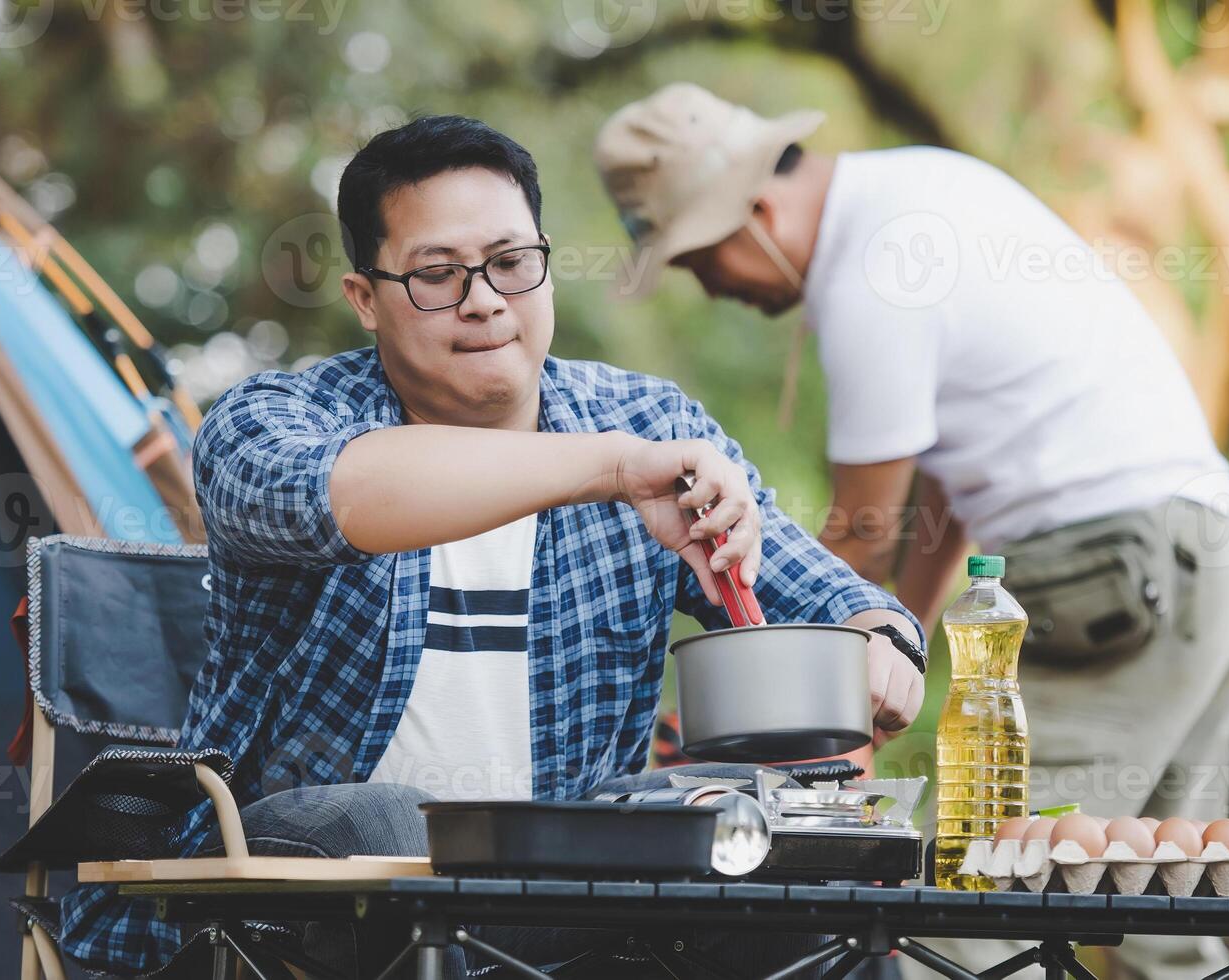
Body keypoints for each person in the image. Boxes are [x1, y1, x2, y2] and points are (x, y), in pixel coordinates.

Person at [54, 114, 930, 978]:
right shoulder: (272, 422)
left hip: (559, 887)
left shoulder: (647, 421)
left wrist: (883, 644)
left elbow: (829, 596)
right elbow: (347, 495)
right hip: (277, 874)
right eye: (438, 274)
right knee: (398, 827)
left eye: (511, 264)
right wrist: (614, 471)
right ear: (365, 298)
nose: (484, 299)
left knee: (787, 860)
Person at [595, 84, 1229, 979]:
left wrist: (789, 716)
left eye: (699, 258)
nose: (710, 285)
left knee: (981, 889)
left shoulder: (871, 267)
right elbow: (936, 499)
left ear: (755, 212)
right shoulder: (919, 192)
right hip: (1208, 561)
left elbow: (865, 532)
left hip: (1112, 573)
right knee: (1154, 894)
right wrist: (879, 673)